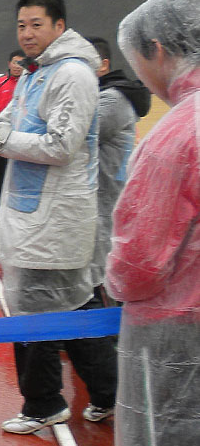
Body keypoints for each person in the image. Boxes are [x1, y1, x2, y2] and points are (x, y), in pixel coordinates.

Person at [0, 0, 116, 434]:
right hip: (32, 212)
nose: (27, 34)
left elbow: (62, 145)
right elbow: (10, 121)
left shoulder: (73, 76)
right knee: (75, 306)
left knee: (36, 312)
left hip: (56, 216)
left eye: (36, 25)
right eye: (21, 26)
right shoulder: (34, 75)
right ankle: (108, 391)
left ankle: (44, 402)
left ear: (59, 27)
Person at [107, 0, 200, 446]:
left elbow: (138, 264)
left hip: (175, 342)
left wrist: (115, 277)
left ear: (158, 50)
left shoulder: (176, 136)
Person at [85, 36, 150, 292]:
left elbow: (74, 139)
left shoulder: (111, 100)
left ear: (103, 65)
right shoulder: (104, 96)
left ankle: (108, 330)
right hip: (105, 197)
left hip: (106, 199)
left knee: (100, 275)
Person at [0, 49, 26, 211]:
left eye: (22, 63)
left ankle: (17, 209)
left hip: (22, 137)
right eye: (15, 62)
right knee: (0, 175)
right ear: (9, 64)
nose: (18, 66)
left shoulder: (29, 84)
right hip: (1, 137)